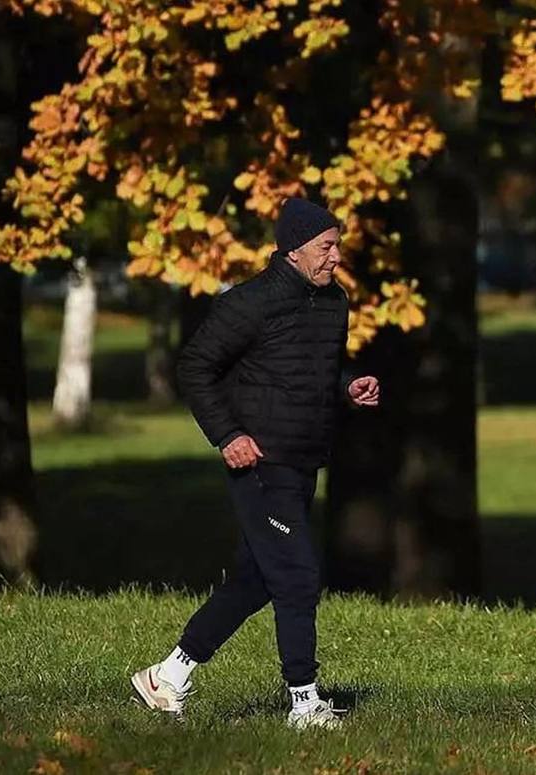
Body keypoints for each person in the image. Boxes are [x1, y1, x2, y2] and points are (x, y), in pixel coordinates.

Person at [130, 198, 381, 728]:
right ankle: (304, 701)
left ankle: (166, 677)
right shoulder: (249, 303)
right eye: (326, 247)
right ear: (294, 251)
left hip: (303, 460)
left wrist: (347, 388)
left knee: (255, 579)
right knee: (296, 575)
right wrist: (228, 435)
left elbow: (313, 375)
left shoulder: (334, 302)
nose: (336, 256)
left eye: (338, 245)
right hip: (259, 463)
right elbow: (195, 367)